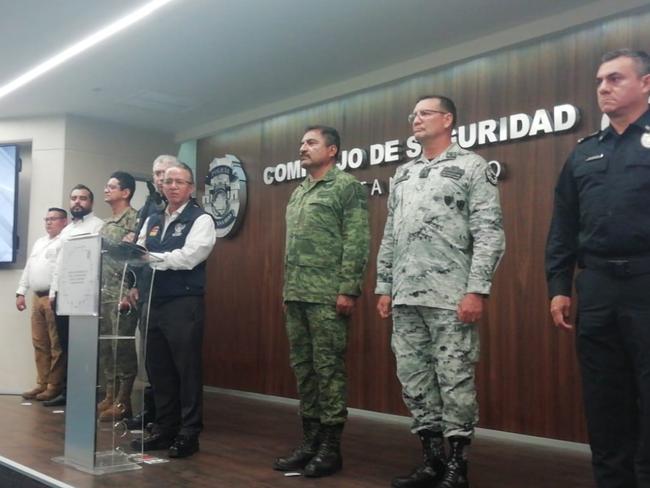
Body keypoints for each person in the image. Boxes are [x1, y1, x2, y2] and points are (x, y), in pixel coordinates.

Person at [376, 96, 505, 488]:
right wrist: (384, 285)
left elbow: (489, 231)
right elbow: (390, 235)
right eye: (412, 114)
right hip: (406, 297)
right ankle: (431, 461)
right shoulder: (403, 173)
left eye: (425, 113)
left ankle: (457, 467)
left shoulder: (471, 166)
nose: (416, 119)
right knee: (414, 382)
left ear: (448, 119)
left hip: (450, 297)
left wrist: (477, 290)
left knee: (455, 381)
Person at [545, 48, 650, 488]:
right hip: (598, 287)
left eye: (615, 78)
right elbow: (563, 224)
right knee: (604, 399)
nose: (603, 87)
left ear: (645, 83)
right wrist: (559, 285)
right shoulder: (584, 152)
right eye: (599, 81)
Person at [273, 125, 370, 477]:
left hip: (328, 294)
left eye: (311, 143)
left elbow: (357, 240)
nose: (303, 148)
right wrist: (287, 291)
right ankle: (310, 441)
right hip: (297, 293)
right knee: (304, 368)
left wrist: (348, 289)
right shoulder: (298, 191)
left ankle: (331, 447)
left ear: (332, 150)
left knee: (328, 369)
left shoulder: (346, 187)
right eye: (301, 143)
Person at [132, 162, 216, 458]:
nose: (173, 186)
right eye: (168, 181)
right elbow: (137, 251)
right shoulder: (152, 218)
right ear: (161, 186)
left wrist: (153, 257)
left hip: (183, 303)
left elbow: (190, 256)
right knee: (159, 369)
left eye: (179, 182)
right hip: (152, 300)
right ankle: (165, 428)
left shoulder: (201, 219)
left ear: (191, 187)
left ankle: (189, 432)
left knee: (186, 369)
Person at [124, 154, 177, 429]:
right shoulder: (150, 204)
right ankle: (152, 409)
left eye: (164, 173)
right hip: (147, 290)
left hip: (172, 294)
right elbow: (140, 250)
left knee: (168, 359)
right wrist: (134, 284)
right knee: (151, 357)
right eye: (156, 173)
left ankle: (168, 415)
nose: (159, 178)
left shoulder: (185, 209)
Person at [45, 184, 104, 407]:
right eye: (74, 198)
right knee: (67, 346)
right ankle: (69, 392)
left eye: (83, 198)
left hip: (84, 296)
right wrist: (53, 292)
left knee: (84, 347)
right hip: (63, 295)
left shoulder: (98, 226)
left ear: (91, 203)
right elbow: (59, 264)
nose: (77, 202)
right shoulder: (67, 230)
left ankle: (86, 394)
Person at [96, 172, 139, 422]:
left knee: (121, 347)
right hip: (104, 293)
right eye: (106, 185)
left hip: (122, 293)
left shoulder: (134, 219)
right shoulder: (105, 223)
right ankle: (110, 395)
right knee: (106, 347)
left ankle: (124, 401)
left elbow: (137, 259)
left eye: (112, 186)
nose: (106, 189)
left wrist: (131, 289)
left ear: (126, 192)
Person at [15, 208, 68, 401]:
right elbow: (29, 267)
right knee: (39, 342)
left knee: (56, 344)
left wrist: (54, 294)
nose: (48, 222)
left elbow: (59, 271)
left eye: (53, 219)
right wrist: (21, 292)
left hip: (52, 297)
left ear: (64, 221)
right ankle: (42, 382)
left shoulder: (64, 241)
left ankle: (54, 385)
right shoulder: (40, 242)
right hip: (36, 297)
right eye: (46, 219)